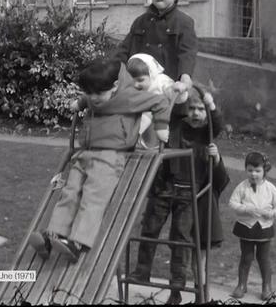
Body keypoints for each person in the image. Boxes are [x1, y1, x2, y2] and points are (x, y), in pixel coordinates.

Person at [27, 57, 172, 264]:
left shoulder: (130, 97)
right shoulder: (98, 93)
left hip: (110, 156)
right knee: (69, 194)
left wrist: (161, 126)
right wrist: (81, 101)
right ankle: (53, 236)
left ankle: (77, 243)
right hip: (85, 153)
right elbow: (90, 96)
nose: (94, 98)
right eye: (90, 93)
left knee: (93, 198)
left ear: (114, 86)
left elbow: (160, 102)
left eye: (98, 93)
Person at [131, 85, 230, 305]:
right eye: (192, 108)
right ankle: (142, 270)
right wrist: (181, 89)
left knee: (180, 240)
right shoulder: (178, 126)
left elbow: (218, 122)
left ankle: (176, 288)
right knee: (149, 228)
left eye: (200, 110)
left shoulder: (208, 133)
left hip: (189, 194)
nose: (195, 113)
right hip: (165, 187)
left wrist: (210, 102)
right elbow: (173, 110)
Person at [112, 0, 197, 97]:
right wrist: (109, 73)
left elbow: (187, 53)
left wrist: (185, 77)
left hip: (170, 88)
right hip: (139, 89)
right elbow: (124, 50)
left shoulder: (184, 22)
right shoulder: (140, 21)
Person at [228, 152, 276, 300]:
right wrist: (246, 209)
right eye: (250, 170)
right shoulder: (242, 187)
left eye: (258, 171)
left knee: (263, 258)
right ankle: (241, 285)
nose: (254, 174)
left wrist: (272, 213)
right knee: (246, 257)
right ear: (246, 170)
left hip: (264, 228)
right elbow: (232, 203)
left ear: (264, 170)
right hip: (246, 227)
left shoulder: (270, 188)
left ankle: (266, 287)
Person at [126, 53, 188, 149]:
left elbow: (175, 96)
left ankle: (133, 140)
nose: (135, 84)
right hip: (137, 121)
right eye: (131, 80)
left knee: (148, 114)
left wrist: (178, 89)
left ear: (151, 74)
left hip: (156, 124)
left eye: (140, 80)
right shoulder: (132, 87)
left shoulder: (160, 82)